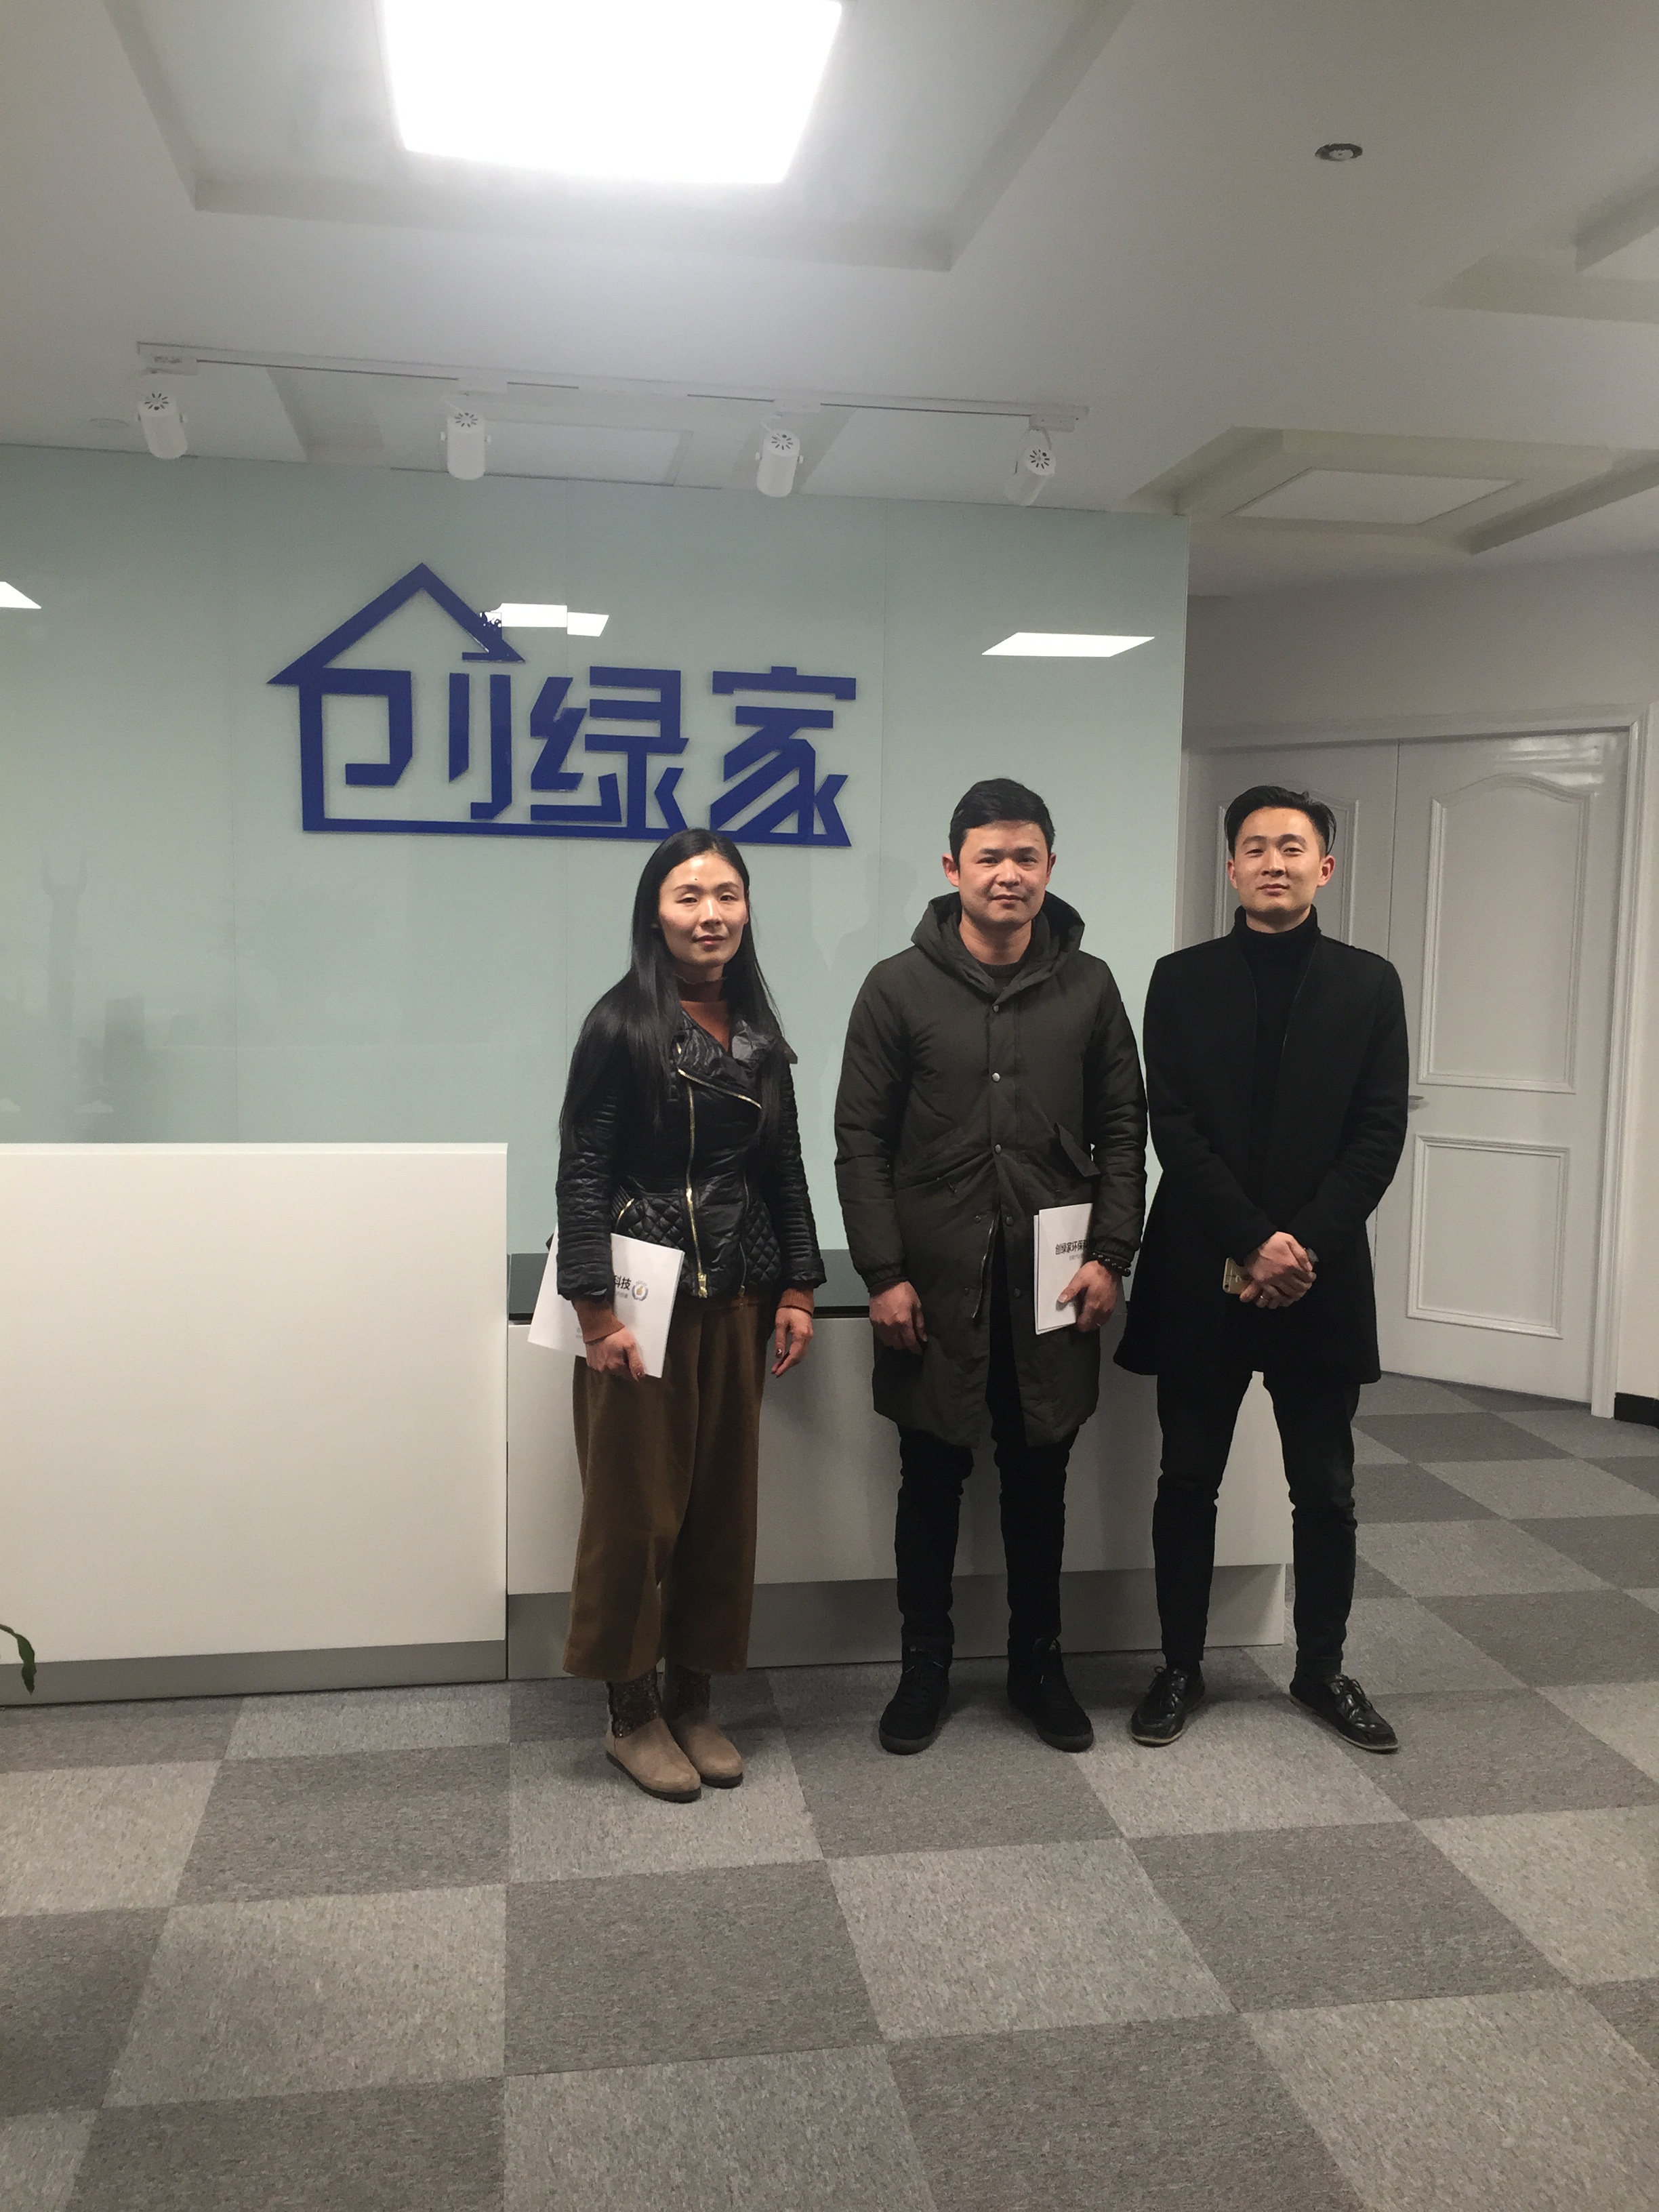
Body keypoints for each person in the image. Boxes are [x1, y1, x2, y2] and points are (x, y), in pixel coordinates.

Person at [835, 778, 1147, 1756]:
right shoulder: (895, 987)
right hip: (933, 1286)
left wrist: (1112, 1253)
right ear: (953, 868)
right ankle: (923, 1666)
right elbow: (859, 1143)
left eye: (1025, 857)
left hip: (1052, 1287)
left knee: (1039, 1480)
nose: (1008, 875)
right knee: (928, 1480)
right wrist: (883, 1275)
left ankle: (1037, 1666)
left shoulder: (1090, 985)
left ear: (1050, 867)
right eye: (989, 858)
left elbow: (1124, 1129)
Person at [1117, 783, 1410, 1751]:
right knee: (1186, 1479)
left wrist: (1301, 1244)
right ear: (1231, 865)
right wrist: (1251, 1240)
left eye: (1292, 846)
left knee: (1325, 1489)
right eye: (1255, 846)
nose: (1273, 862)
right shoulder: (1179, 979)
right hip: (1202, 1264)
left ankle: (1321, 1670)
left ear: (1324, 866)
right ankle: (1179, 1667)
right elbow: (1172, 1125)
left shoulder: (1369, 985)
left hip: (1319, 1278)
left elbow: (1378, 1133)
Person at [554, 828, 824, 1801]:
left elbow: (784, 1170)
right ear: (655, 914)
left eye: (727, 896)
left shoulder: (760, 1034)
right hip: (643, 1305)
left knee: (719, 1511)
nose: (710, 915)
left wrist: (798, 1286)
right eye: (688, 897)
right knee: (635, 1516)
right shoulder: (621, 1026)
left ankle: (694, 1696)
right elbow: (582, 1173)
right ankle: (630, 1714)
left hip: (738, 1294)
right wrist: (595, 1315)